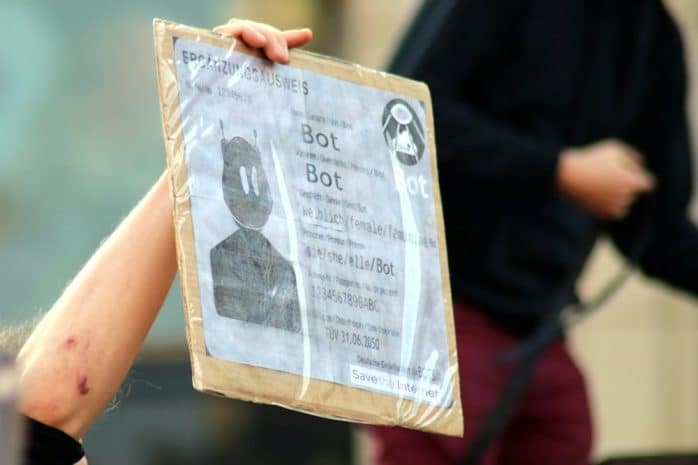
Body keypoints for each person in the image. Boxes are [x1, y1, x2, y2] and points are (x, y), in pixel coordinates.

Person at [367, 1, 698, 465]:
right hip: (439, 312)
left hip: (539, 330)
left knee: (564, 433)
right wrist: (558, 171)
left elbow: (656, 228)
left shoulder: (653, 34)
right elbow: (401, 109)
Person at [9, 19, 312, 465]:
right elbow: (40, 415)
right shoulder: (53, 180)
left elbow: (36, 421)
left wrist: (214, 117)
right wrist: (205, 135)